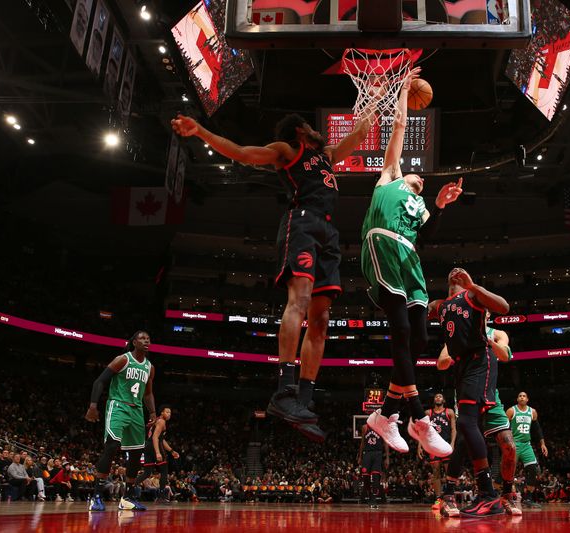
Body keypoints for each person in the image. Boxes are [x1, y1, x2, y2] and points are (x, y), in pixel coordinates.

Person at [172, 107, 374, 443]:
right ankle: (283, 391)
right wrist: (201, 133)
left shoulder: (326, 155)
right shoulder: (287, 151)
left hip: (328, 231)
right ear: (299, 131)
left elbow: (361, 134)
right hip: (303, 223)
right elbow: (242, 154)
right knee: (301, 300)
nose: (316, 128)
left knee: (321, 320)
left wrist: (377, 96)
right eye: (310, 124)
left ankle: (303, 403)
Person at [362, 69, 461, 459]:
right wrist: (402, 90)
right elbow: (399, 128)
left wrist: (439, 206)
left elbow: (429, 235)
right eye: (416, 175)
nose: (419, 178)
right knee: (401, 330)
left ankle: (386, 413)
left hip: (411, 260)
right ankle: (419, 418)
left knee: (418, 339)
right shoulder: (390, 177)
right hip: (383, 247)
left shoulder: (420, 206)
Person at [428, 267, 511, 517]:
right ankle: (467, 493)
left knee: (465, 422)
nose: (455, 270)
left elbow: (504, 307)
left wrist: (473, 285)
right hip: (462, 365)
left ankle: (489, 494)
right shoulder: (440, 305)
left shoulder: (472, 296)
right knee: (467, 427)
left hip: (479, 358)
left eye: (460, 271)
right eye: (451, 271)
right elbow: (416, 309)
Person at [85, 330, 156, 511]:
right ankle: (97, 496)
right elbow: (99, 381)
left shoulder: (149, 367)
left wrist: (153, 413)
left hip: (137, 410)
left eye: (148, 338)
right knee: (111, 445)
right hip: (118, 406)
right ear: (134, 342)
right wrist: (93, 406)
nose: (146, 340)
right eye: (142, 338)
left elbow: (147, 393)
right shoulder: (123, 359)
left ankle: (127, 498)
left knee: (135, 454)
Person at [506, 391, 548, 508]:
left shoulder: (532, 412)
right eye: (520, 396)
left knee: (534, 470)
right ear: (517, 399)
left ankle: (528, 498)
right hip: (514, 444)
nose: (522, 397)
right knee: (509, 471)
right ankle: (506, 496)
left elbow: (537, 429)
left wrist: (542, 444)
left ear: (527, 399)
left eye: (524, 396)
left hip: (526, 445)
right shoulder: (511, 411)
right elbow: (504, 428)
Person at [417, 393, 456, 509]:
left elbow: (454, 429)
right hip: (433, 446)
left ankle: (450, 496)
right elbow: (422, 430)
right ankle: (438, 498)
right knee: (436, 472)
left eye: (440, 396)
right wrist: (420, 445)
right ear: (434, 400)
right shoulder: (428, 413)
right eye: (436, 396)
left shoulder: (449, 412)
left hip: (446, 444)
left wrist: (452, 443)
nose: (438, 397)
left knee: (449, 472)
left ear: (443, 400)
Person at [135, 406, 180, 502]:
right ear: (162, 413)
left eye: (170, 413)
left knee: (147, 472)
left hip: (148, 446)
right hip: (154, 446)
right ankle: (161, 496)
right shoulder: (161, 421)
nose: (169, 414)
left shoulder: (157, 420)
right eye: (167, 412)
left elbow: (161, 439)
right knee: (164, 471)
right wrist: (158, 452)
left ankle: (129, 487)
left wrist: (171, 451)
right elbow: (155, 438)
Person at [357, 423, 390, 509]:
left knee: (376, 477)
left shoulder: (381, 427)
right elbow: (362, 443)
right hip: (367, 454)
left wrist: (387, 458)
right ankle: (370, 494)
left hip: (377, 453)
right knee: (365, 477)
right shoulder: (365, 427)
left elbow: (386, 443)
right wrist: (360, 456)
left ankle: (373, 499)